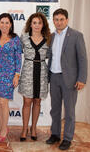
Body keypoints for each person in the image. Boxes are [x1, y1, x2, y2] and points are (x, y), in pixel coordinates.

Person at [46, 8, 87, 150]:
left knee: (69, 111)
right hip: (54, 77)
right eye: (56, 19)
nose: (59, 22)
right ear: (53, 21)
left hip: (69, 79)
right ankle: (55, 134)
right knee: (55, 109)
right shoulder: (51, 36)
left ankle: (68, 138)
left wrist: (82, 79)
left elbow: (82, 59)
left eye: (61, 19)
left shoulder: (76, 35)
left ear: (67, 20)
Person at [18, 12, 51, 141]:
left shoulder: (48, 39)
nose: (37, 25)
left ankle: (33, 128)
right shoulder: (24, 38)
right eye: (34, 23)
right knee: (27, 102)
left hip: (41, 72)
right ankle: (24, 129)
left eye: (39, 23)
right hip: (28, 72)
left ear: (43, 25)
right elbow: (17, 53)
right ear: (30, 24)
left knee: (37, 101)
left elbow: (49, 55)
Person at [0, 13, 22, 142]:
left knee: (4, 103)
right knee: (0, 102)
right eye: (2, 22)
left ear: (11, 25)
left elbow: (18, 58)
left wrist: (17, 75)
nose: (4, 25)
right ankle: (1, 125)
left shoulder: (15, 39)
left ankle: (5, 129)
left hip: (9, 74)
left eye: (7, 22)